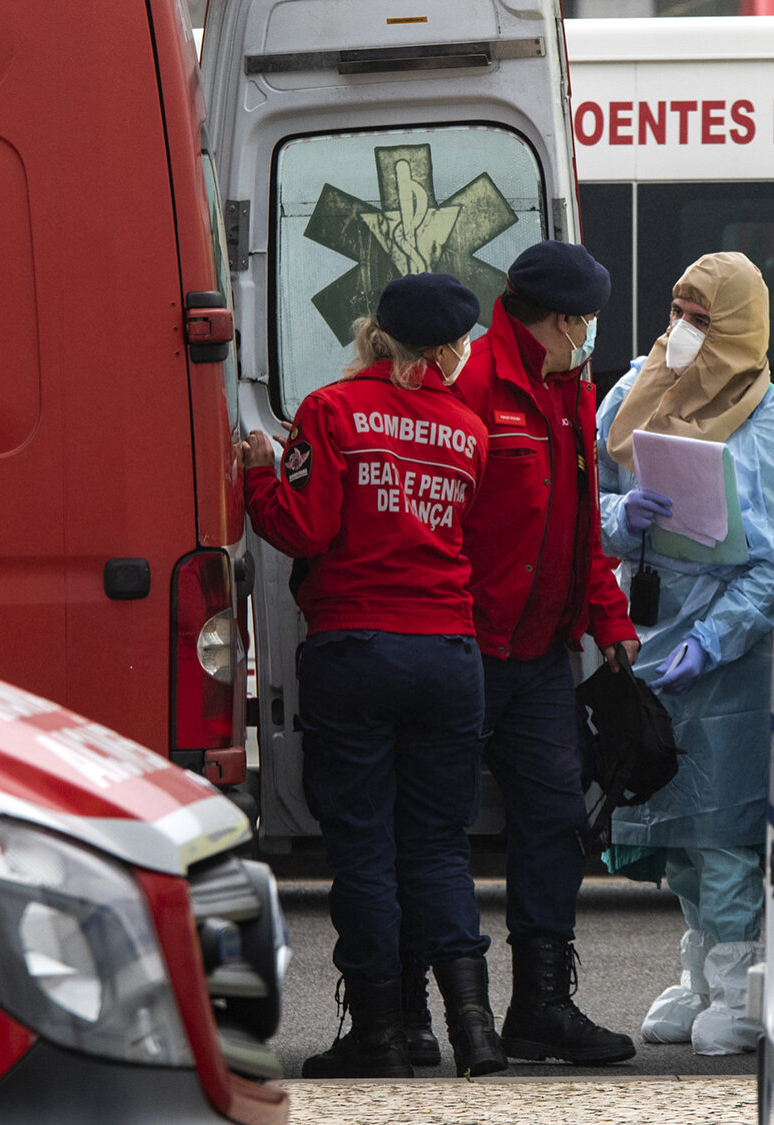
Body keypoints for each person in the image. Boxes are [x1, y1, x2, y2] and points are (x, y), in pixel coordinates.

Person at [237, 273, 506, 1079]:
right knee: (437, 847)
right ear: (450, 346)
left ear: (374, 334)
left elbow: (304, 525)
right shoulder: (469, 427)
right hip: (449, 656)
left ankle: (382, 1032)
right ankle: (473, 1029)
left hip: (356, 650)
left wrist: (257, 473)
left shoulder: (329, 411)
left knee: (362, 849)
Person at [424, 239, 640, 1066]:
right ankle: (419, 1011)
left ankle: (542, 1005)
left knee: (556, 818)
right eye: (584, 322)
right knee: (436, 823)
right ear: (557, 320)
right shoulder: (473, 383)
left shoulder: (569, 387)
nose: (588, 336)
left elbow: (581, 526)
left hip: (543, 652)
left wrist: (609, 619)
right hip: (468, 645)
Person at [594, 251, 774, 1055]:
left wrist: (715, 636)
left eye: (703, 318)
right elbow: (590, 502)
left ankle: (743, 980)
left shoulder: (771, 416)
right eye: (678, 309)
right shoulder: (637, 388)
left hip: (728, 650)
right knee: (668, 821)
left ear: (741, 326)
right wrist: (623, 520)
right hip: (651, 636)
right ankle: (701, 969)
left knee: (724, 825)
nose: (683, 332)